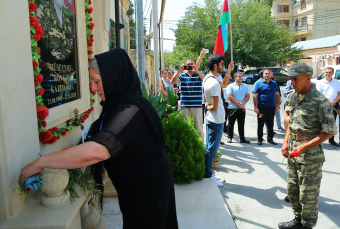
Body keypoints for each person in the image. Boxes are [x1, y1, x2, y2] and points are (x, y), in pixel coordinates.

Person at [19, 49, 178, 228]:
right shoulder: (115, 106)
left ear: (113, 77)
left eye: (97, 81)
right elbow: (96, 137)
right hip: (135, 188)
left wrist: (40, 162)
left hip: (149, 189)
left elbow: (99, 149)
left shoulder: (130, 109)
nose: (93, 88)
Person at [280, 62, 336, 229]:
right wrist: (285, 142)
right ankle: (298, 220)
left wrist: (304, 147)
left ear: (307, 78)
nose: (292, 82)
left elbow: (330, 131)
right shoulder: (292, 97)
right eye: (291, 79)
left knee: (308, 195)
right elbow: (288, 120)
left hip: (310, 156)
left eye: (295, 79)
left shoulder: (320, 101)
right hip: (292, 152)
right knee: (293, 190)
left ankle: (307, 225)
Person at [203, 54, 234, 186]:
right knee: (212, 149)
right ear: (215, 66)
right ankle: (208, 175)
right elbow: (214, 106)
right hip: (216, 119)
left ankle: (207, 172)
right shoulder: (214, 83)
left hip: (212, 119)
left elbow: (225, 83)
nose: (223, 66)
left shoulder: (208, 79)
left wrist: (229, 70)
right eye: (222, 64)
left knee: (208, 147)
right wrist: (207, 105)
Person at [171, 49, 207, 139]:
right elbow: (173, 81)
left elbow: (205, 81)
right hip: (185, 106)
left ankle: (200, 149)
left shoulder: (199, 75)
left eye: (192, 64)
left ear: (195, 65)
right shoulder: (183, 75)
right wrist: (179, 71)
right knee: (186, 128)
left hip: (197, 106)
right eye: (188, 64)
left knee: (198, 129)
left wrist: (197, 71)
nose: (190, 66)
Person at [252, 68, 280, 145]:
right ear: (263, 75)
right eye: (265, 73)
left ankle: (270, 139)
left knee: (270, 124)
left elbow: (277, 95)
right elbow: (254, 95)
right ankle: (260, 139)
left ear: (271, 75)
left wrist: (277, 106)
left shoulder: (274, 83)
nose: (267, 75)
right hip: (261, 107)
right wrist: (255, 107)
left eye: (268, 73)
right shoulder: (258, 83)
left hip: (271, 107)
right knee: (260, 124)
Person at [316, 67, 340, 147]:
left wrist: (334, 101)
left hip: (334, 105)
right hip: (323, 105)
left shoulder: (337, 82)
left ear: (333, 73)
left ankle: (331, 140)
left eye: (329, 72)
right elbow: (318, 94)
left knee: (332, 123)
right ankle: (319, 140)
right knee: (321, 122)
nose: (328, 74)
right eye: (326, 72)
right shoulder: (320, 82)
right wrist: (328, 101)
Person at [226, 72, 250, 143]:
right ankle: (230, 137)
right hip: (232, 108)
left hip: (242, 108)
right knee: (231, 123)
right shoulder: (230, 86)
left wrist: (242, 103)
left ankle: (242, 138)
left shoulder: (245, 86)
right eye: (239, 76)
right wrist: (237, 103)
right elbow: (229, 96)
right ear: (235, 78)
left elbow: (247, 96)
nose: (241, 78)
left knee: (241, 123)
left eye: (241, 76)